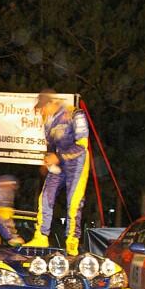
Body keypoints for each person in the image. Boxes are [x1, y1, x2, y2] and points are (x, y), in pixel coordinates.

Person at [23, 90, 90, 256]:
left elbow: (82, 145)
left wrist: (57, 157)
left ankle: (72, 242)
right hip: (60, 165)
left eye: (41, 109)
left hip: (77, 162)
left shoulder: (74, 113)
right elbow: (51, 149)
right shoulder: (48, 122)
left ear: (48, 104)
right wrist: (47, 161)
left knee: (73, 203)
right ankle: (41, 236)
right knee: (45, 196)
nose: (40, 113)